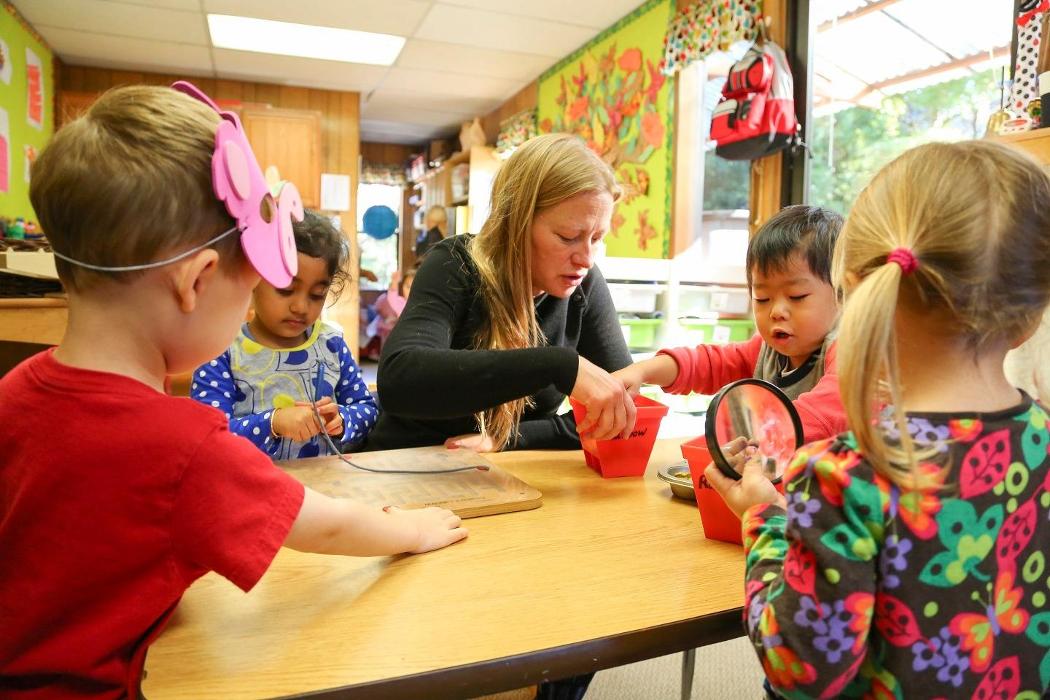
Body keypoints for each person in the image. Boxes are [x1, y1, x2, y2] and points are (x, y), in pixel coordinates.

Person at [0, 83, 466, 697]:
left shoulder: (12, 389)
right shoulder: (181, 445)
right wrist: (414, 529)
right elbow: (323, 528)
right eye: (254, 284)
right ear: (198, 283)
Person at [706, 140, 1050, 698]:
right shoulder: (1041, 443)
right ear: (1030, 315)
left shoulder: (844, 476)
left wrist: (764, 520)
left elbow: (800, 670)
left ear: (858, 294)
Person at [367, 133, 636, 454]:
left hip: (508, 475)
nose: (586, 258)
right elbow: (400, 381)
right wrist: (557, 365)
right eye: (568, 237)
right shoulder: (454, 264)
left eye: (596, 238)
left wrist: (506, 439)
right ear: (517, 224)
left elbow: (622, 413)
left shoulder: (585, 283)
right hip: (406, 465)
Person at [615, 205, 845, 442]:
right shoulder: (766, 352)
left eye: (796, 296)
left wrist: (763, 443)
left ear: (841, 294)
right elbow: (708, 363)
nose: (776, 311)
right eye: (762, 299)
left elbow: (823, 410)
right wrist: (641, 371)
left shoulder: (846, 354)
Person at [192, 209, 378, 459]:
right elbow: (207, 436)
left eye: (316, 295)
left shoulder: (331, 344)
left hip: (325, 487)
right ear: (254, 277)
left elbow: (366, 409)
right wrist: (273, 422)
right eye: (286, 290)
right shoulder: (220, 348)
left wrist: (342, 419)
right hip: (248, 489)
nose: (301, 307)